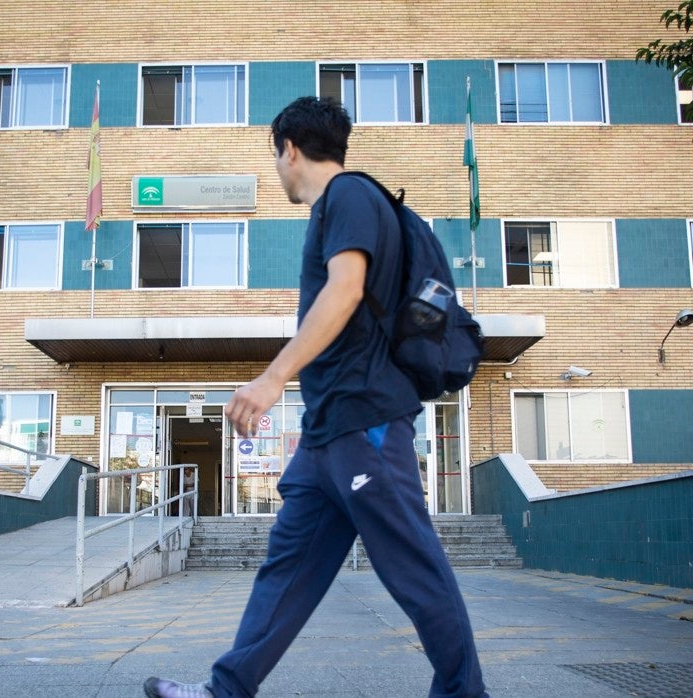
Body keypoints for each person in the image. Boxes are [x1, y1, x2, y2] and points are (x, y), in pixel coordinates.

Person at [144, 96, 487, 698]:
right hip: (328, 430)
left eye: (275, 157)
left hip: (366, 421)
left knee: (413, 568)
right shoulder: (342, 204)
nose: (278, 168)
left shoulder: (348, 195)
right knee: (288, 569)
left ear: (290, 149)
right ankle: (226, 690)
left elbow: (346, 289)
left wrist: (272, 377)